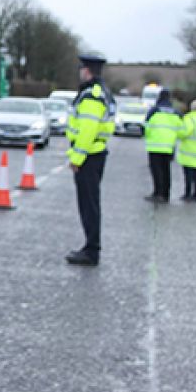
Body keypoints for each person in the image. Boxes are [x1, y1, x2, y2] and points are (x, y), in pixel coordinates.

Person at [65, 54, 115, 266]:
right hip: (95, 154)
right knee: (90, 203)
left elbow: (87, 129)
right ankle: (90, 247)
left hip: (89, 156)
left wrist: (77, 158)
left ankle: (91, 250)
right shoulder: (101, 92)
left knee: (89, 205)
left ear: (87, 71)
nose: (80, 72)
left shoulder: (92, 96)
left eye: (81, 69)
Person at [143, 88, 182, 203]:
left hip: (155, 146)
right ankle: (166, 194)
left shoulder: (154, 111)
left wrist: (149, 136)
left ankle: (157, 193)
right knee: (166, 171)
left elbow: (146, 127)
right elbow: (181, 129)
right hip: (169, 146)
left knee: (156, 171)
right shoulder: (176, 112)